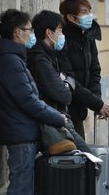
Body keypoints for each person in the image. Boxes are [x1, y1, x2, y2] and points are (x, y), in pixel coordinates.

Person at [0, 9, 67, 195]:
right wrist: (57, 117)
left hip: (24, 132)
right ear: (17, 33)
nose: (31, 35)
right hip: (20, 135)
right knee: (20, 189)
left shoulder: (15, 59)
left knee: (24, 187)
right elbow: (29, 101)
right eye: (29, 31)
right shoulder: (10, 62)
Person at [27, 10, 91, 153]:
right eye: (60, 31)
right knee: (90, 161)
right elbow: (65, 95)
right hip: (55, 122)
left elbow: (66, 80)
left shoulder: (50, 56)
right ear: (49, 33)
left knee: (84, 163)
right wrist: (67, 83)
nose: (62, 36)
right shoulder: (41, 60)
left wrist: (66, 82)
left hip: (58, 119)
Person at [58, 0, 109, 139]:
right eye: (84, 12)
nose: (89, 15)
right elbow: (69, 80)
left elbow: (94, 71)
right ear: (71, 17)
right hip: (64, 107)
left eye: (90, 11)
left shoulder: (88, 37)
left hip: (80, 106)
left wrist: (97, 100)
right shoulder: (61, 40)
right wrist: (97, 104)